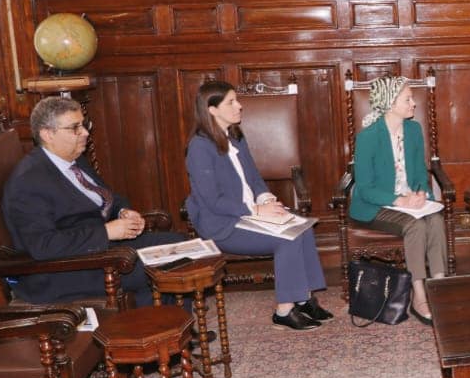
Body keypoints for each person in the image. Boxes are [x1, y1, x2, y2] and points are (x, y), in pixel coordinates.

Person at [2, 96, 187, 305]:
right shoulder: (28, 182)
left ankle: (175, 321)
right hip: (67, 271)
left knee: (184, 247)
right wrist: (106, 232)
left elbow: (105, 197)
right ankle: (162, 320)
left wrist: (122, 212)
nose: (85, 133)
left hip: (101, 251)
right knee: (171, 264)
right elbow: (44, 246)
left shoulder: (74, 159)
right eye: (75, 128)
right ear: (47, 134)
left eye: (84, 124)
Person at [185, 81, 332, 331]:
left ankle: (303, 298)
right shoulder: (199, 147)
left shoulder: (235, 136)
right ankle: (284, 311)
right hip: (222, 224)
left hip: (248, 214)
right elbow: (212, 200)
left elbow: (253, 177)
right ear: (211, 109)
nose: (239, 106)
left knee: (303, 228)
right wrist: (255, 210)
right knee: (287, 239)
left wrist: (266, 199)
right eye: (231, 102)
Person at [347, 76, 450, 325]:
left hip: (409, 203)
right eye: (408, 99)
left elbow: (419, 174)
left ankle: (439, 288)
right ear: (390, 103)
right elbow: (365, 188)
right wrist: (399, 201)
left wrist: (422, 193)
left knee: (436, 220)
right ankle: (419, 295)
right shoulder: (368, 137)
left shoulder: (413, 130)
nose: (414, 103)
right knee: (416, 226)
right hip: (377, 205)